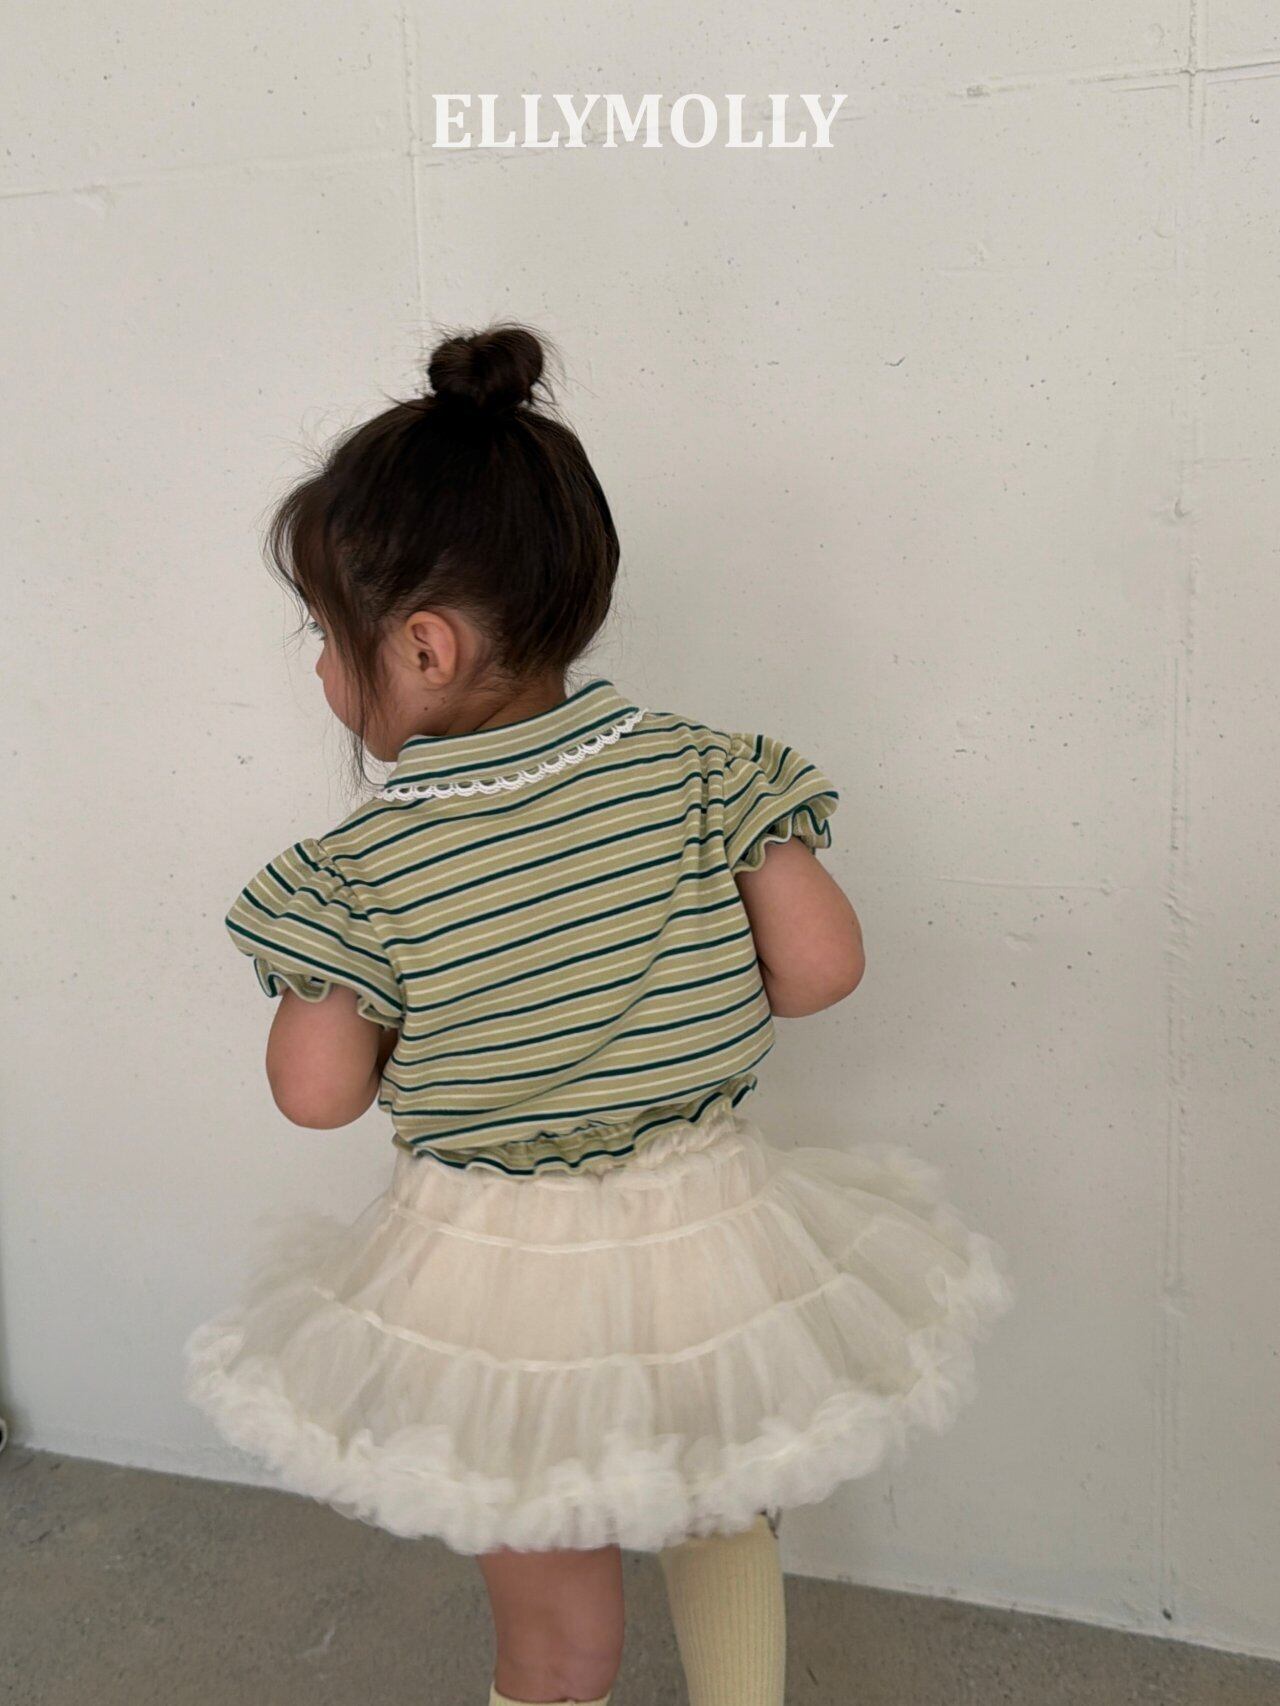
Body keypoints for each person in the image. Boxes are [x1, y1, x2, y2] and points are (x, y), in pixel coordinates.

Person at [182, 321, 1014, 1706]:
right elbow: (823, 968)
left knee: (559, 1635)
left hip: (503, 1279)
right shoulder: (705, 771)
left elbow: (317, 1093)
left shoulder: (363, 872)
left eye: (324, 639)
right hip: (710, 1234)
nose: (322, 673)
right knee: (721, 1500)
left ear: (424, 645)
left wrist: (342, 979)